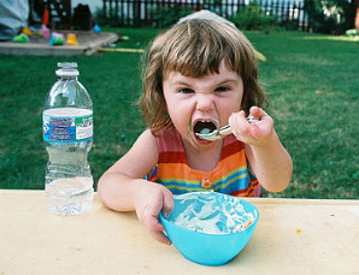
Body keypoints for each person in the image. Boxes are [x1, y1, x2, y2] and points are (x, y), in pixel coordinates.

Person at [97, 19, 293, 244]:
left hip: (236, 251)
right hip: (173, 251)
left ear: (244, 93)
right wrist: (137, 192)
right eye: (185, 90)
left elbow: (277, 183)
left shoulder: (244, 141)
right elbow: (108, 184)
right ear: (162, 96)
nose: (205, 104)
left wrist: (264, 142)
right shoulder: (157, 142)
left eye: (221, 88)